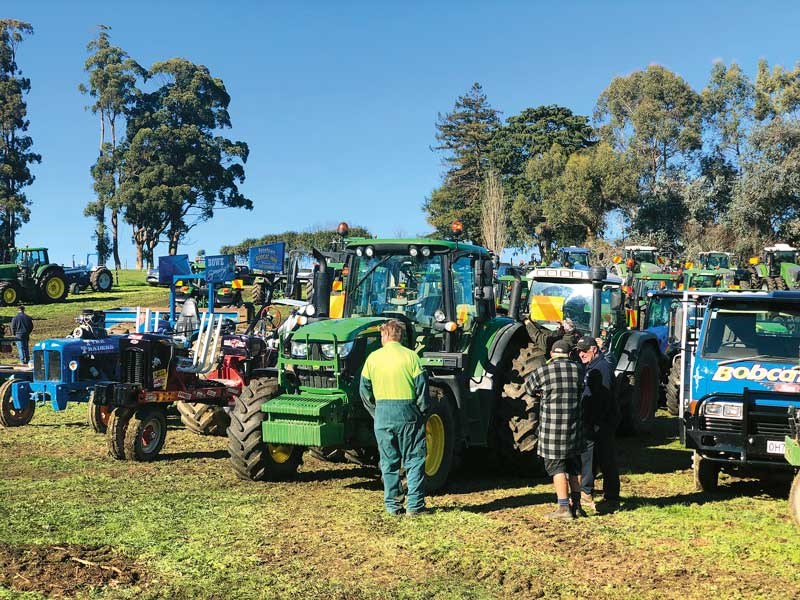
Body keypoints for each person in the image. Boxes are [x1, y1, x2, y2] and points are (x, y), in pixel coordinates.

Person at [359, 320, 429, 516]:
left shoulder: (372, 358)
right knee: (414, 460)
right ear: (399, 336)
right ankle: (414, 506)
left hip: (382, 414)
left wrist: (376, 412)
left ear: (385, 336)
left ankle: (393, 506)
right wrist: (421, 412)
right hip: (408, 413)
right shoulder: (411, 357)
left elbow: (364, 390)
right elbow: (422, 390)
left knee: (388, 463)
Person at [526, 339, 585, 519]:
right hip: (575, 427)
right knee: (575, 468)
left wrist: (543, 393)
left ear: (552, 354)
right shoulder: (579, 370)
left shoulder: (543, 371)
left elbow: (529, 389)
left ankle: (563, 507)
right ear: (569, 354)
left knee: (557, 468)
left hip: (552, 430)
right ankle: (578, 506)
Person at [576, 335, 621, 513]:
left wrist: (596, 422)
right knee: (593, 458)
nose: (581, 354)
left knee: (603, 458)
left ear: (594, 349)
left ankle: (606, 495)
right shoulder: (591, 366)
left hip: (600, 422)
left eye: (584, 351)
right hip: (595, 420)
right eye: (579, 351)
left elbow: (604, 397)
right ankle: (593, 492)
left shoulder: (601, 367)